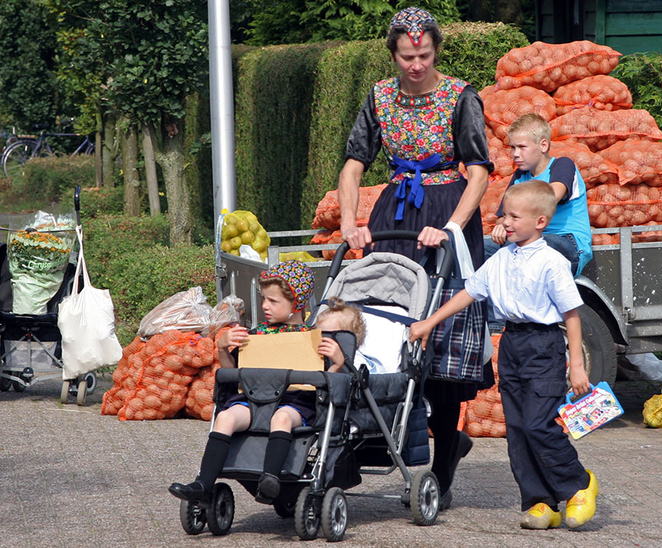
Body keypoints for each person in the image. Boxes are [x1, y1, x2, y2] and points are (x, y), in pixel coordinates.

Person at [336, 6, 493, 509]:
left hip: (448, 214)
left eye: (424, 55)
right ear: (393, 54)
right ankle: (379, 443)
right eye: (407, 56)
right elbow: (354, 163)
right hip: (398, 219)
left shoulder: (460, 97)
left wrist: (451, 227)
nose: (416, 65)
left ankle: (442, 466)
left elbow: (479, 171)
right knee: (388, 333)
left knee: (440, 349)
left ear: (436, 51)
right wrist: (348, 219)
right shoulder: (380, 96)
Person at [409, 181, 600, 530]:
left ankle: (579, 484)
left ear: (540, 221)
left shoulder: (551, 262)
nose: (506, 223)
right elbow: (469, 292)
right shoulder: (501, 259)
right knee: (517, 430)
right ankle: (540, 501)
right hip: (512, 345)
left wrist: (577, 365)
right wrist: (429, 322)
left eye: (514, 217)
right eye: (504, 215)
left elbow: (572, 315)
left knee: (537, 424)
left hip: (544, 347)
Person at [168, 261, 364, 504]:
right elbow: (232, 376)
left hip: (295, 403)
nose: (264, 306)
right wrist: (223, 348)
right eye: (264, 299)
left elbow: (327, 384)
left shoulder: (312, 339)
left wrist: (336, 362)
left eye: (273, 301)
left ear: (297, 304)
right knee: (225, 417)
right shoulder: (253, 336)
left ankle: (270, 477)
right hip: (253, 399)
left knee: (280, 418)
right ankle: (203, 484)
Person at [486, 113, 593, 276]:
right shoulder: (520, 176)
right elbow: (502, 216)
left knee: (531, 245)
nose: (515, 154)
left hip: (567, 243)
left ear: (543, 145)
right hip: (528, 240)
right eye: (513, 148)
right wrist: (502, 224)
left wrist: (511, 220)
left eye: (522, 147)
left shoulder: (562, 165)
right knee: (482, 248)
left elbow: (550, 198)